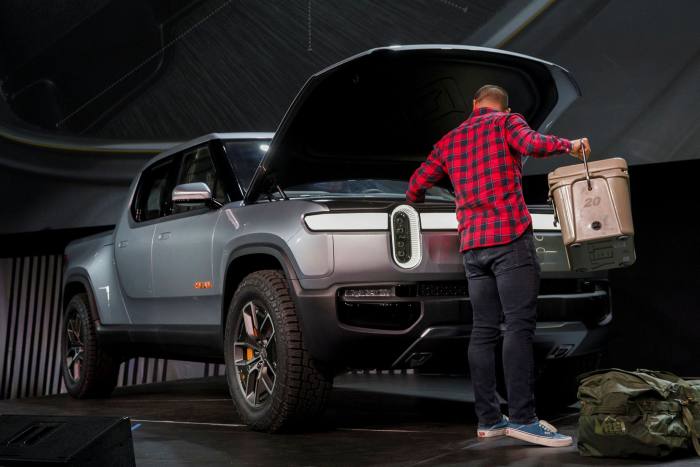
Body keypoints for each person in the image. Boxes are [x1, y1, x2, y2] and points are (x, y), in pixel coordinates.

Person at [405, 84, 590, 448]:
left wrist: (425, 198)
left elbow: (415, 186)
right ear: (503, 106)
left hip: (473, 248)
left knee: (483, 331)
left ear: (474, 104)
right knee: (518, 327)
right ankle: (523, 418)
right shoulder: (506, 123)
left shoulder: (449, 140)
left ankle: (489, 419)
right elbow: (533, 144)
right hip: (509, 241)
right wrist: (570, 146)